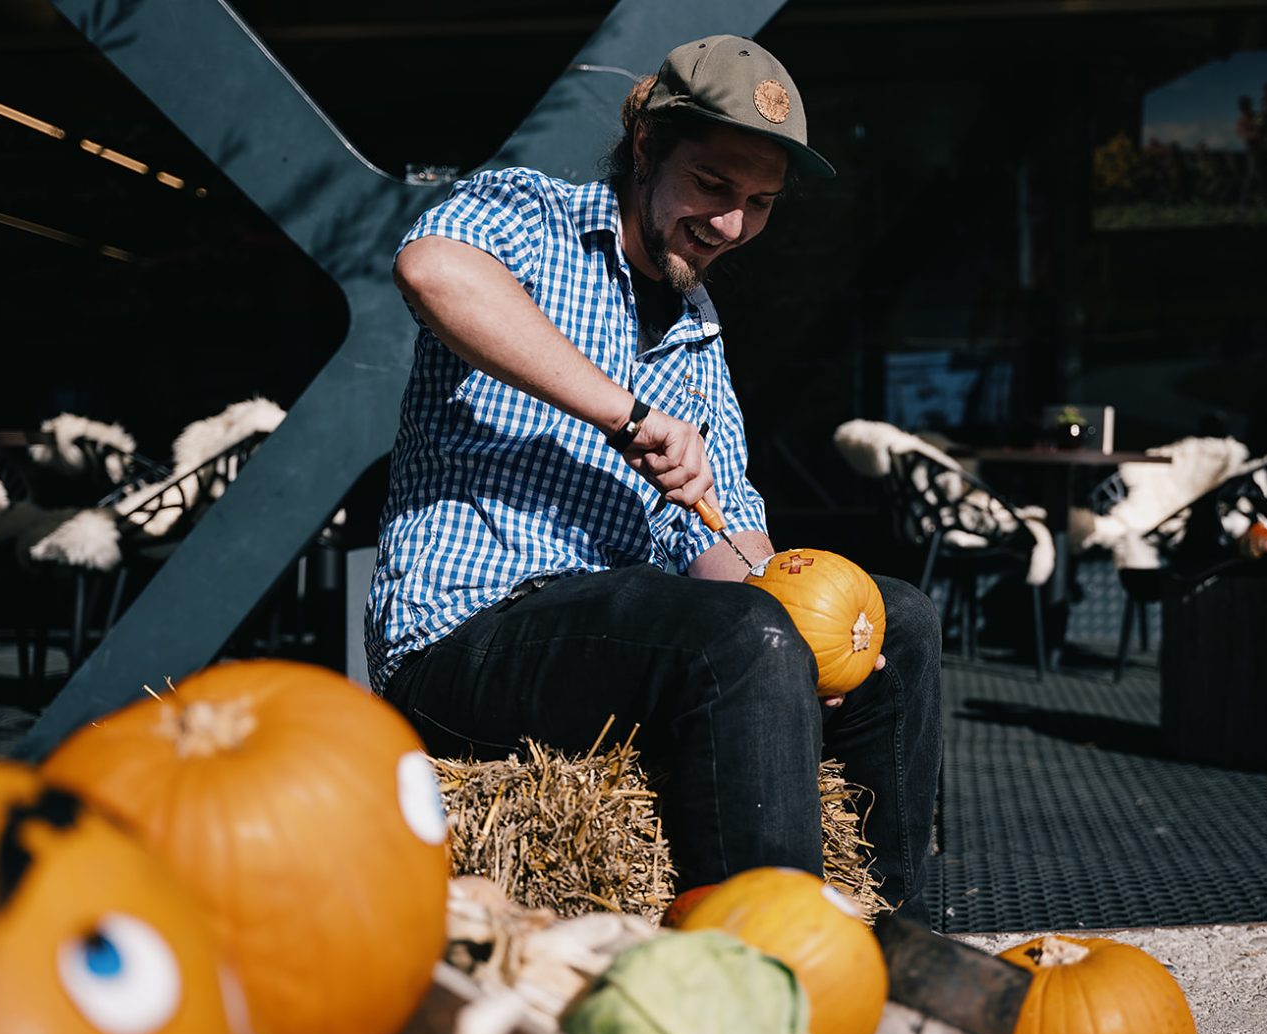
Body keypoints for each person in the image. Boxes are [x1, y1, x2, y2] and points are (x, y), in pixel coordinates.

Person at [366, 35, 942, 921]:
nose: (731, 227)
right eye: (713, 186)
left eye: (759, 204)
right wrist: (622, 415)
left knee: (892, 620)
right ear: (646, 148)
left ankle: (890, 942)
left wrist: (805, 617)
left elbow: (724, 537)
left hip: (625, 641)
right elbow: (432, 269)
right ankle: (770, 954)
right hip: (461, 640)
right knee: (740, 639)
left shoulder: (699, 334)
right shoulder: (530, 210)